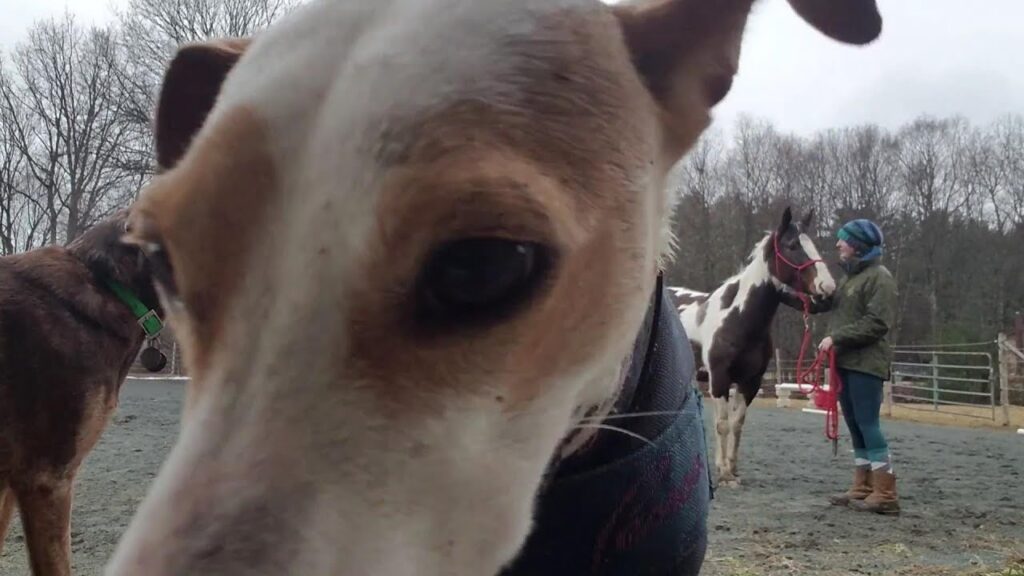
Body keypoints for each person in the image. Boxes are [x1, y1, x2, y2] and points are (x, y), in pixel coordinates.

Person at [782, 218, 900, 515]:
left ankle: (885, 491)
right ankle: (863, 485)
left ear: (858, 244)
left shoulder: (879, 278)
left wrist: (836, 337)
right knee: (855, 425)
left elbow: (877, 323)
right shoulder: (850, 279)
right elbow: (823, 303)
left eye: (843, 240)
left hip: (867, 364)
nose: (838, 244)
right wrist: (787, 296)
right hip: (847, 363)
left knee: (868, 424)